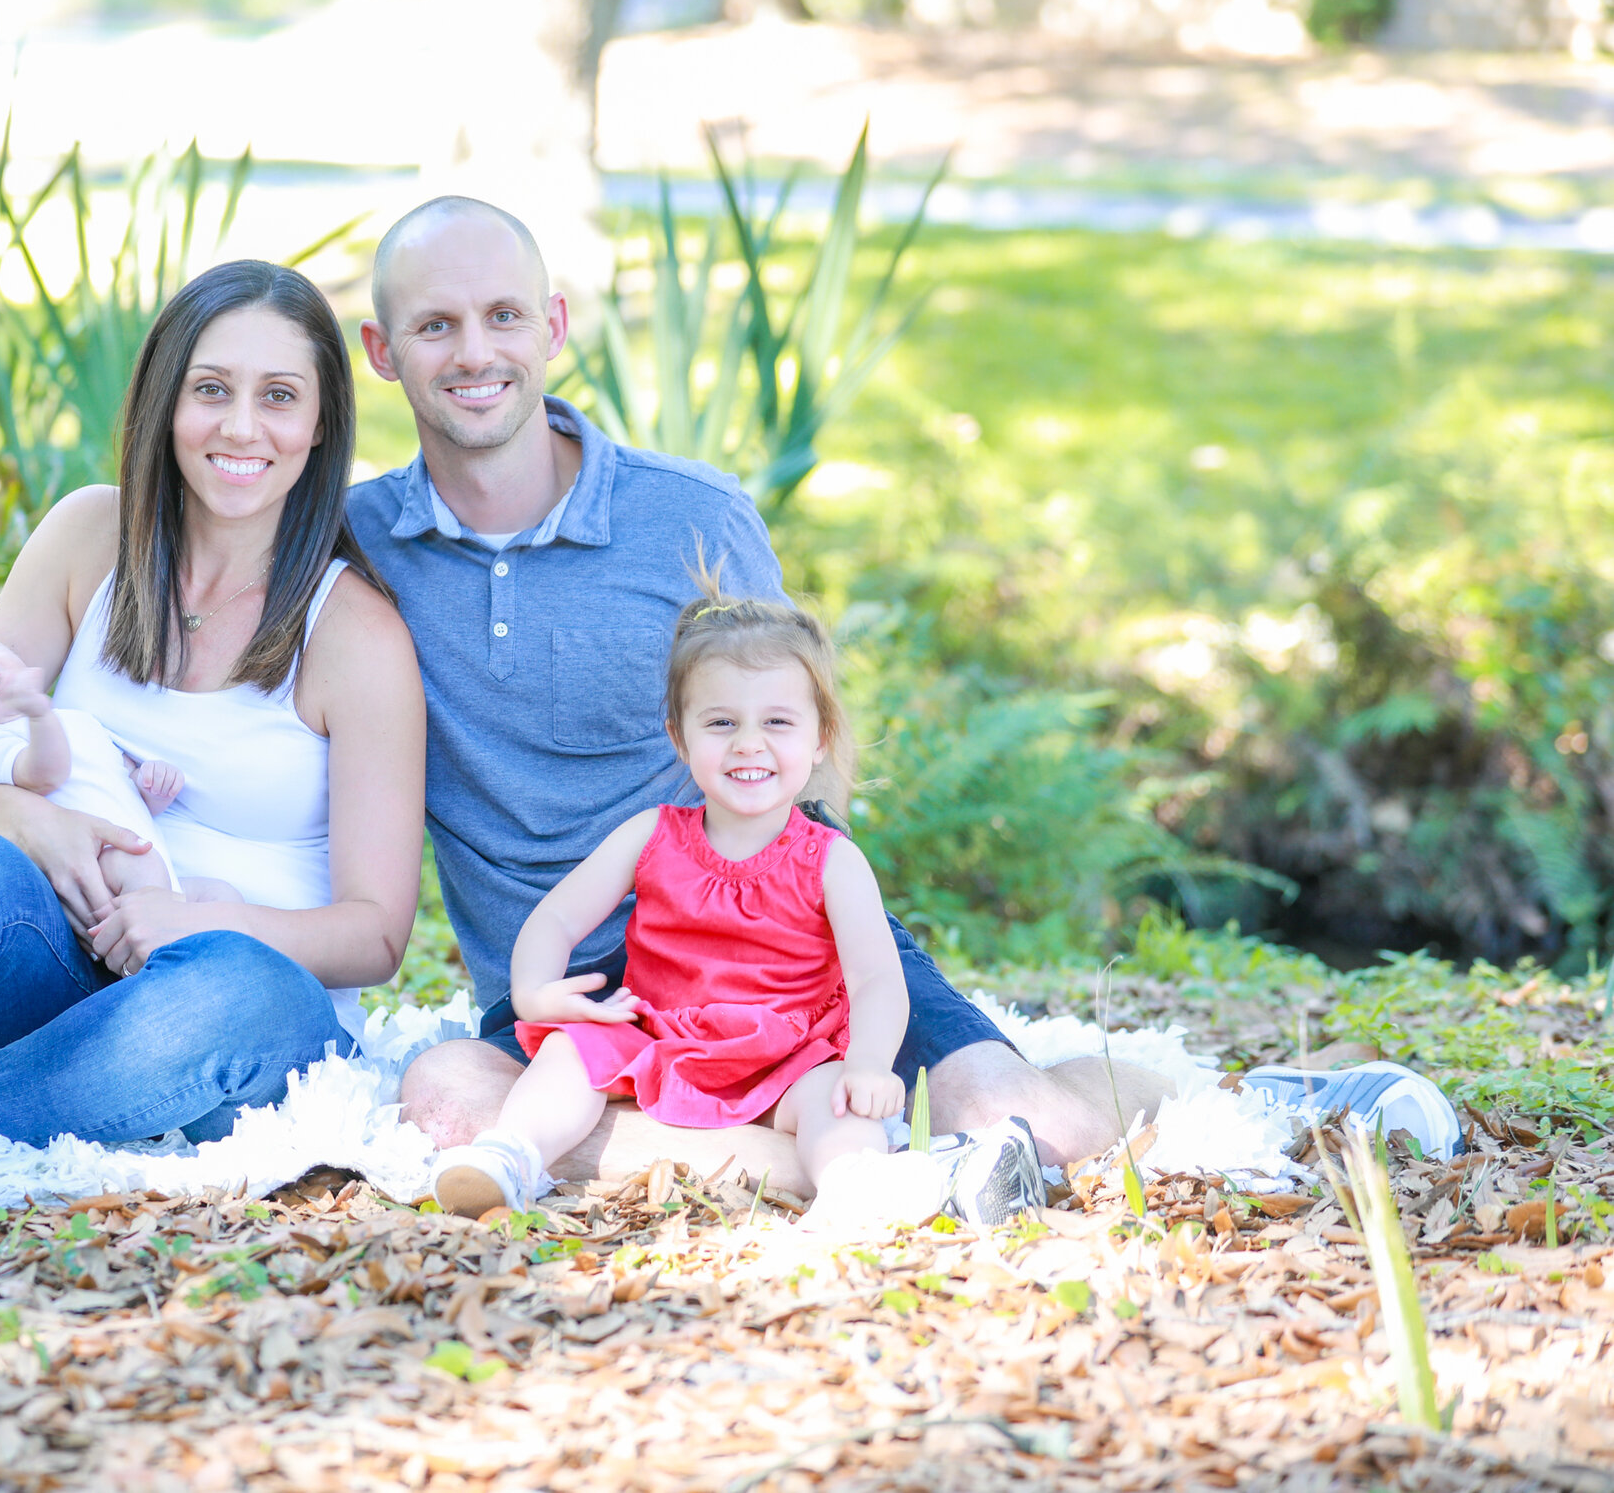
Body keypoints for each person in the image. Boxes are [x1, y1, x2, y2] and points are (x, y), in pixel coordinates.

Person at [347, 195, 1168, 1220]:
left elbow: (786, 743)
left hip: (777, 960)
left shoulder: (690, 514)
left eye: (504, 316)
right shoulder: (357, 543)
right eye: (436, 325)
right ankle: (861, 1162)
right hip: (578, 993)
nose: (476, 351)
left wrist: (831, 967)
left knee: (1033, 1121)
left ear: (553, 326)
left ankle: (1232, 1100)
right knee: (449, 1100)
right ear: (382, 349)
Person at [0, 259, 425, 1244]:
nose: (239, 427)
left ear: (320, 426)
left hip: (239, 1011)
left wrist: (193, 919)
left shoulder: (355, 635)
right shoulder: (88, 537)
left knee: (238, 991)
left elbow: (375, 934)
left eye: (278, 396)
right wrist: (32, 822)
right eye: (210, 389)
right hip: (64, 976)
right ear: (162, 399)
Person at [433, 588, 924, 1216]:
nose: (749, 743)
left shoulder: (831, 860)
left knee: (837, 1097)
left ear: (820, 738)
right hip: (658, 1043)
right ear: (680, 738)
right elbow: (557, 915)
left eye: (777, 722)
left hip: (786, 1059)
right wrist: (532, 991)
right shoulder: (652, 835)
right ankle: (511, 1155)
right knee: (569, 1050)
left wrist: (870, 1064)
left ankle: (854, 1187)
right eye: (722, 722)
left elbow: (879, 978)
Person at [0, 621, 242, 907]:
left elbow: (117, 792)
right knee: (144, 871)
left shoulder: (76, 721)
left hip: (151, 870)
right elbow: (45, 775)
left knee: (222, 896)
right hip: (98, 870)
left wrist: (149, 786)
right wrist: (37, 712)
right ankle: (153, 965)